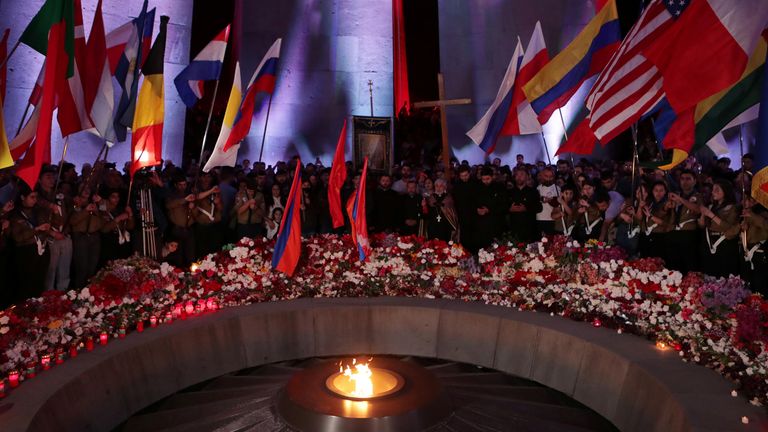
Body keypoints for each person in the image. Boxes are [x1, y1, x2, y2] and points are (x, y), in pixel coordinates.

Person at [10, 185, 51, 300]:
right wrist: (36, 229)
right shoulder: (15, 213)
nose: (35, 200)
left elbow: (47, 224)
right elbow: (18, 237)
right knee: (26, 285)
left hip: (41, 251)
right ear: (23, 197)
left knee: (39, 283)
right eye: (32, 197)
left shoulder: (38, 210)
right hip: (25, 253)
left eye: (36, 197)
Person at [699, 179, 741, 278]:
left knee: (725, 274)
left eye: (717, 190)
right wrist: (703, 214)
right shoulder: (711, 206)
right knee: (711, 273)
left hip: (725, 243)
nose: (713, 192)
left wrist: (710, 214)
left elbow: (726, 227)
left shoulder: (734, 208)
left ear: (726, 191)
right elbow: (702, 225)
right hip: (710, 242)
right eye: (713, 190)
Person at [666, 169, 701, 273]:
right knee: (674, 268)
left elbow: (698, 209)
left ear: (694, 181)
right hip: (674, 233)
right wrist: (668, 206)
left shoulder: (698, 195)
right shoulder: (676, 195)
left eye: (688, 179)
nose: (684, 181)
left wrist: (680, 200)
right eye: (682, 179)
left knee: (689, 267)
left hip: (689, 235)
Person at [70, 186, 104, 288]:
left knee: (92, 268)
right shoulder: (75, 203)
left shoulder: (95, 203)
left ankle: (90, 292)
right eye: (83, 188)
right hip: (81, 238)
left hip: (94, 237)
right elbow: (72, 221)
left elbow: (103, 219)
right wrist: (85, 210)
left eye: (88, 189)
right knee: (82, 268)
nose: (86, 191)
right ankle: (79, 291)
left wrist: (98, 207)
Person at [165, 176, 196, 267]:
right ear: (175, 185)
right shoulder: (171, 195)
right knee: (178, 254)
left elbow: (196, 213)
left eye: (184, 184)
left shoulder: (191, 194)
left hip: (189, 228)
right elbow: (169, 205)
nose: (183, 187)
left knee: (190, 253)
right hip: (177, 229)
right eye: (180, 185)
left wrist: (192, 207)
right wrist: (185, 200)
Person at [740, 197, 768, 294]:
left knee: (760, 284)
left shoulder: (762, 212)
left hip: (759, 253)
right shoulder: (744, 213)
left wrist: (752, 216)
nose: (742, 202)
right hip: (746, 252)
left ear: (754, 201)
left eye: (746, 199)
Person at [507, 168, 542, 243]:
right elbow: (502, 207)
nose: (519, 177)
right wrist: (509, 209)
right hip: (514, 228)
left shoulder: (533, 191)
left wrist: (526, 208)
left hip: (529, 228)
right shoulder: (508, 192)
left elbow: (539, 207)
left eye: (522, 175)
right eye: (517, 175)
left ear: (527, 177)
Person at [100, 190, 134, 265]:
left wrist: (130, 214)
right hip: (109, 247)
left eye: (118, 196)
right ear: (107, 198)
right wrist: (118, 218)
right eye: (113, 197)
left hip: (122, 246)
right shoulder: (103, 211)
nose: (116, 199)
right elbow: (104, 229)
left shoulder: (120, 209)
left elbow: (130, 227)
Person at [535, 167, 559, 236]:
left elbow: (558, 202)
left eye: (550, 176)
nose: (548, 178)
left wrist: (550, 200)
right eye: (546, 176)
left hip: (552, 219)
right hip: (539, 218)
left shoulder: (557, 189)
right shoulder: (537, 188)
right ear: (542, 176)